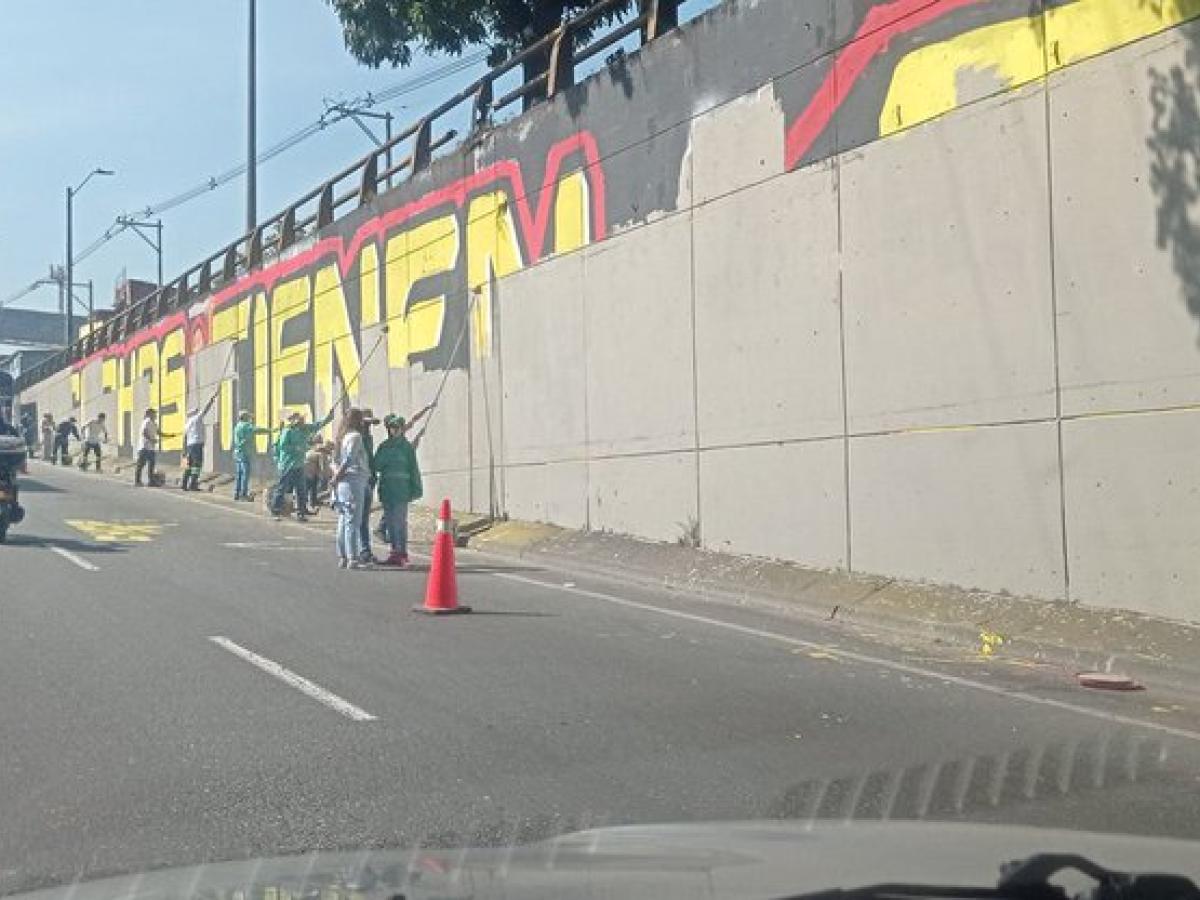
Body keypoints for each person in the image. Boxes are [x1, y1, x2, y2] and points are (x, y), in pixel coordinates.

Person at [373, 402, 434, 542]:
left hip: (400, 485)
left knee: (397, 515)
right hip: (391, 485)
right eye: (392, 426)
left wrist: (426, 409)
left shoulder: (402, 444)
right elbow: (413, 421)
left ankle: (392, 539)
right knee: (391, 514)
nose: (395, 429)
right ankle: (385, 532)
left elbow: (413, 422)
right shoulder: (387, 446)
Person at [373, 414, 424, 567]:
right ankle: (394, 552)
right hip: (387, 489)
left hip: (402, 490)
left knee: (400, 522)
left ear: (402, 429)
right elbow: (376, 465)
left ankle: (402, 553)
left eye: (397, 428)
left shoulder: (407, 448)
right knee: (389, 522)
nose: (394, 431)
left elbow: (413, 468)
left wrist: (415, 488)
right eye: (392, 428)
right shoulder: (384, 446)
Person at [271, 408, 336, 520]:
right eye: (298, 419)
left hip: (299, 465)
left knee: (302, 489)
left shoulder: (305, 429)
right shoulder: (288, 431)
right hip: (287, 465)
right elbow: (283, 446)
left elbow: (318, 425)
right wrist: (297, 448)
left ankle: (301, 512)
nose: (301, 421)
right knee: (282, 488)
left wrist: (329, 416)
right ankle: (276, 510)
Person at [331, 407, 372, 569]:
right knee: (353, 520)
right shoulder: (355, 437)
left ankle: (343, 555)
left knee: (344, 518)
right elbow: (350, 458)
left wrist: (336, 476)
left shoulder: (342, 437)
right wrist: (338, 475)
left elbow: (335, 459)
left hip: (344, 482)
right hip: (353, 479)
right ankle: (353, 557)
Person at [180, 394, 218, 491]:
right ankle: (193, 484)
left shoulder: (187, 424)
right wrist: (212, 400)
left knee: (189, 464)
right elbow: (206, 409)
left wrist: (183, 451)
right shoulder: (197, 418)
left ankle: (184, 483)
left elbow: (184, 437)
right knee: (197, 465)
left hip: (189, 446)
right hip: (197, 445)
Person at [357, 409, 381, 563]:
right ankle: (359, 549)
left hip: (369, 479)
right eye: (365, 424)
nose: (368, 427)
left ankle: (364, 549)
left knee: (363, 517)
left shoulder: (368, 438)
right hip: (358, 480)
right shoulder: (356, 438)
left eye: (370, 424)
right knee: (357, 518)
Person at [231, 410, 271, 501]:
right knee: (246, 473)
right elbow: (257, 430)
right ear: (245, 417)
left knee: (239, 474)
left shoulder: (237, 426)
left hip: (237, 452)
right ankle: (243, 494)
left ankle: (237, 493)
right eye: (248, 417)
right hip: (244, 453)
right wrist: (271, 430)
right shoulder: (246, 426)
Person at [134, 409, 175, 487]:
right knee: (141, 464)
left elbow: (159, 432)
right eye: (154, 413)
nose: (155, 415)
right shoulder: (146, 421)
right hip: (144, 447)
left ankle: (151, 481)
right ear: (149, 414)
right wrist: (151, 439)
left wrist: (170, 435)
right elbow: (144, 432)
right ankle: (137, 481)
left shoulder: (154, 423)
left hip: (151, 448)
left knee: (151, 464)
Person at [304, 437, 333, 511]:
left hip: (306, 471)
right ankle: (310, 504)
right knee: (311, 489)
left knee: (310, 489)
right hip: (310, 473)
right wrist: (327, 476)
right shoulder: (321, 454)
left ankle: (310, 503)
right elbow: (322, 466)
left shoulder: (313, 450)